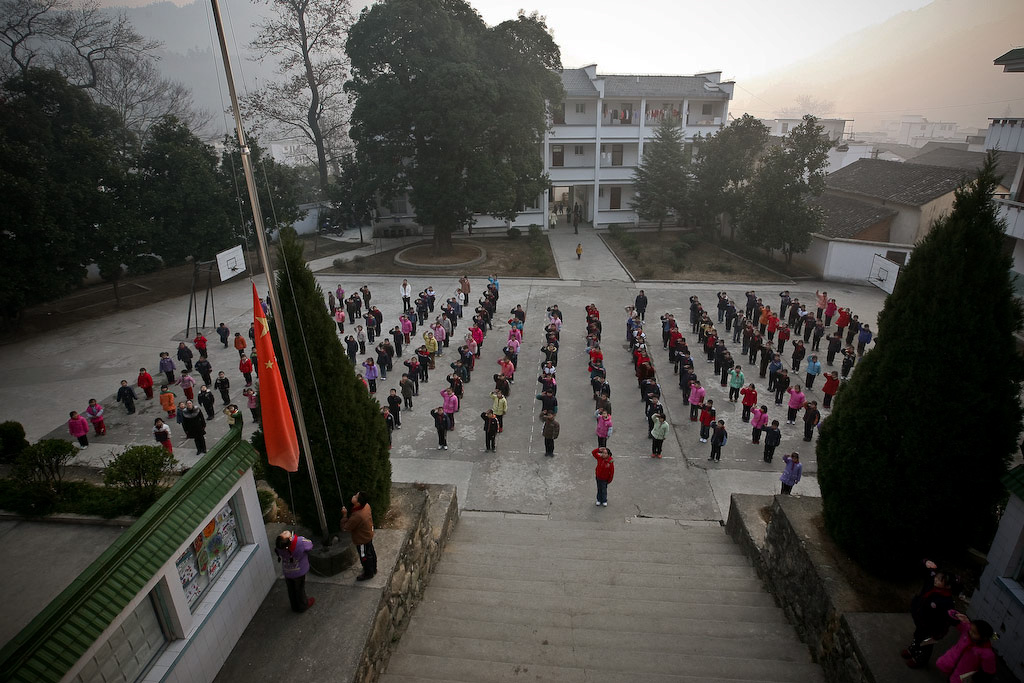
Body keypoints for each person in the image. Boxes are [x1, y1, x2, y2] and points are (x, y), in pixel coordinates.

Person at [902, 560, 957, 669]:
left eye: (939, 580)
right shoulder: (932, 584)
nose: (935, 579)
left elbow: (950, 618)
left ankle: (920, 659)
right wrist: (925, 562)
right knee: (918, 635)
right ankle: (913, 648)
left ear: (948, 586)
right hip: (921, 620)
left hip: (932, 627)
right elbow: (927, 570)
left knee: (926, 643)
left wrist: (940, 632)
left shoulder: (947, 601)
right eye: (937, 577)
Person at [934, 614, 996, 681]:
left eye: (974, 633)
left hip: (961, 676)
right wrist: (956, 616)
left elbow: (988, 672)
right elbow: (955, 621)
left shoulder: (986, 654)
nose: (970, 633)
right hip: (951, 666)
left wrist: (974, 678)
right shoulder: (967, 632)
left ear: (984, 637)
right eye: (971, 629)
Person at [341, 492, 377, 581]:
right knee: (371, 552)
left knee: (364, 556)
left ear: (358, 502)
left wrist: (344, 515)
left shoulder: (357, 516)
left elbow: (345, 528)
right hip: (368, 534)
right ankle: (373, 568)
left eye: (355, 497)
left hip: (362, 540)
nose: (353, 496)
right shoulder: (366, 506)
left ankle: (368, 573)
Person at [275, 530, 315, 611]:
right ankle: (303, 605)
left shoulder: (280, 546)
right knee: (300, 589)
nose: (284, 531)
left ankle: (294, 606)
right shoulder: (300, 542)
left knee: (291, 590)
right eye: (284, 533)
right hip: (299, 572)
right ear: (290, 539)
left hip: (287, 572)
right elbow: (310, 545)